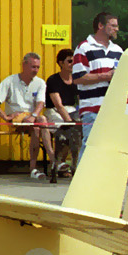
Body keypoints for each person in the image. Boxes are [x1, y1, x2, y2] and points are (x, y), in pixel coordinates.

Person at [0, 52, 51, 180]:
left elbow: (41, 103)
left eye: (38, 67)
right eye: (33, 67)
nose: (36, 70)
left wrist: (33, 116)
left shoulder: (40, 83)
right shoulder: (10, 81)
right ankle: (37, 166)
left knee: (41, 120)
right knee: (37, 126)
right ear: (24, 65)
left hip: (32, 118)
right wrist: (5, 117)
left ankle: (52, 158)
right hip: (17, 118)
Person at [73, 11, 124, 157]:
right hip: (92, 109)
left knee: (111, 149)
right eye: (113, 25)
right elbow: (77, 77)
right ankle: (84, 179)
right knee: (90, 145)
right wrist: (106, 76)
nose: (117, 29)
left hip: (113, 109)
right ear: (100, 25)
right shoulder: (84, 48)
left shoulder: (118, 51)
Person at [45, 48, 81, 178]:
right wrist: (70, 122)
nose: (73, 64)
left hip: (71, 109)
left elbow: (80, 101)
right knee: (67, 130)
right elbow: (58, 105)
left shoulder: (77, 79)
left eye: (75, 61)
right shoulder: (53, 80)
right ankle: (59, 163)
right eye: (70, 61)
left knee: (79, 130)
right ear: (61, 63)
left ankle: (71, 164)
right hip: (55, 111)